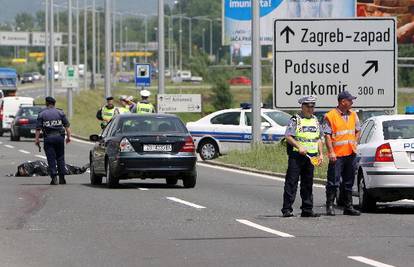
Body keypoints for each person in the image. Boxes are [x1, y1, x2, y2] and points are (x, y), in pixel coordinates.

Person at [281, 96, 324, 218]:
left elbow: (319, 139)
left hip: (311, 156)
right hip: (297, 156)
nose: (311, 109)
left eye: (312, 106)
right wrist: (299, 146)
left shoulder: (316, 120)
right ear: (302, 107)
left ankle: (307, 209)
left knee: (308, 183)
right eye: (308, 106)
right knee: (292, 182)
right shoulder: (295, 119)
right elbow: (288, 136)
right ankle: (287, 209)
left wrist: (321, 154)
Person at [324, 91, 361, 216]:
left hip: (351, 153)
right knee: (333, 181)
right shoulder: (330, 116)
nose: (352, 102)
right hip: (337, 155)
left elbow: (357, 131)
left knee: (348, 181)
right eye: (350, 100)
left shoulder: (353, 115)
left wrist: (355, 143)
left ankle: (348, 207)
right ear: (342, 102)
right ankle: (329, 206)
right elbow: (327, 136)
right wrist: (331, 152)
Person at [35, 97, 71, 185]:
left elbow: (38, 129)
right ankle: (62, 178)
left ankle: (54, 177)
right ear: (54, 104)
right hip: (59, 138)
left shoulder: (42, 114)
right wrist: (68, 137)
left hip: (49, 138)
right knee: (60, 157)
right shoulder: (60, 112)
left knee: (51, 158)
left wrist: (37, 140)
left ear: (46, 103)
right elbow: (67, 126)